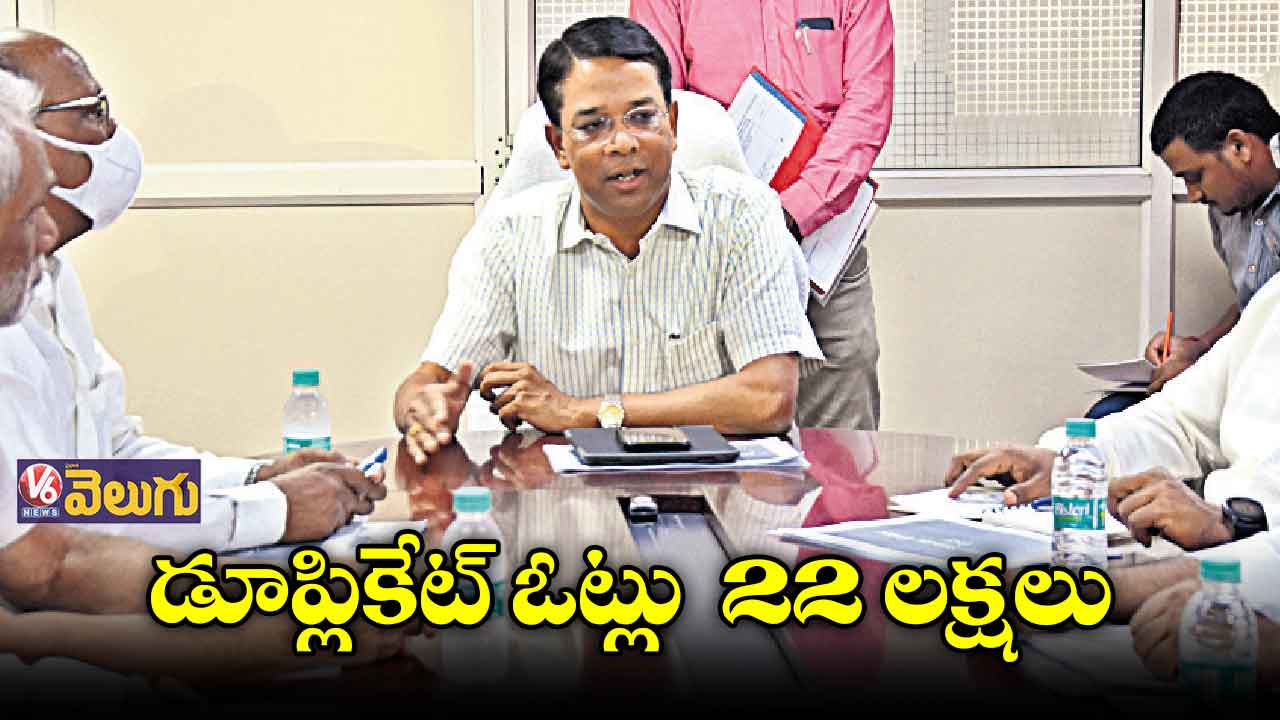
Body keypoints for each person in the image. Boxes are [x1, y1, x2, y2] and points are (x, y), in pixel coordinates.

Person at [0, 29, 385, 555]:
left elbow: (105, 469)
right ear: (17, 133)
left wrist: (255, 477)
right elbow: (43, 516)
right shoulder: (7, 308)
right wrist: (271, 510)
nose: (113, 134)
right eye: (91, 113)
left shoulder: (51, 279)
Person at [394, 17, 820, 464]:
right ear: (558, 146)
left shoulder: (743, 215)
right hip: (562, 498)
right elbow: (427, 382)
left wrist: (582, 412)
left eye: (642, 117)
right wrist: (422, 410)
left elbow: (768, 398)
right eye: (593, 125)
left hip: (717, 490)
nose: (622, 143)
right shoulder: (510, 235)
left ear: (673, 125)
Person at [630, 0, 894, 430]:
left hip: (822, 238)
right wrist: (741, 219)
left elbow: (867, 112)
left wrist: (792, 212)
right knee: (716, 397)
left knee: (844, 382)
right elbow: (658, 107)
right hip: (713, 238)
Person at [1088, 71, 1280, 420]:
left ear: (1239, 147)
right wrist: (1200, 347)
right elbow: (1255, 305)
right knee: (1108, 413)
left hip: (1266, 384)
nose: (1193, 195)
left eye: (1196, 176)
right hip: (1242, 370)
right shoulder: (1227, 209)